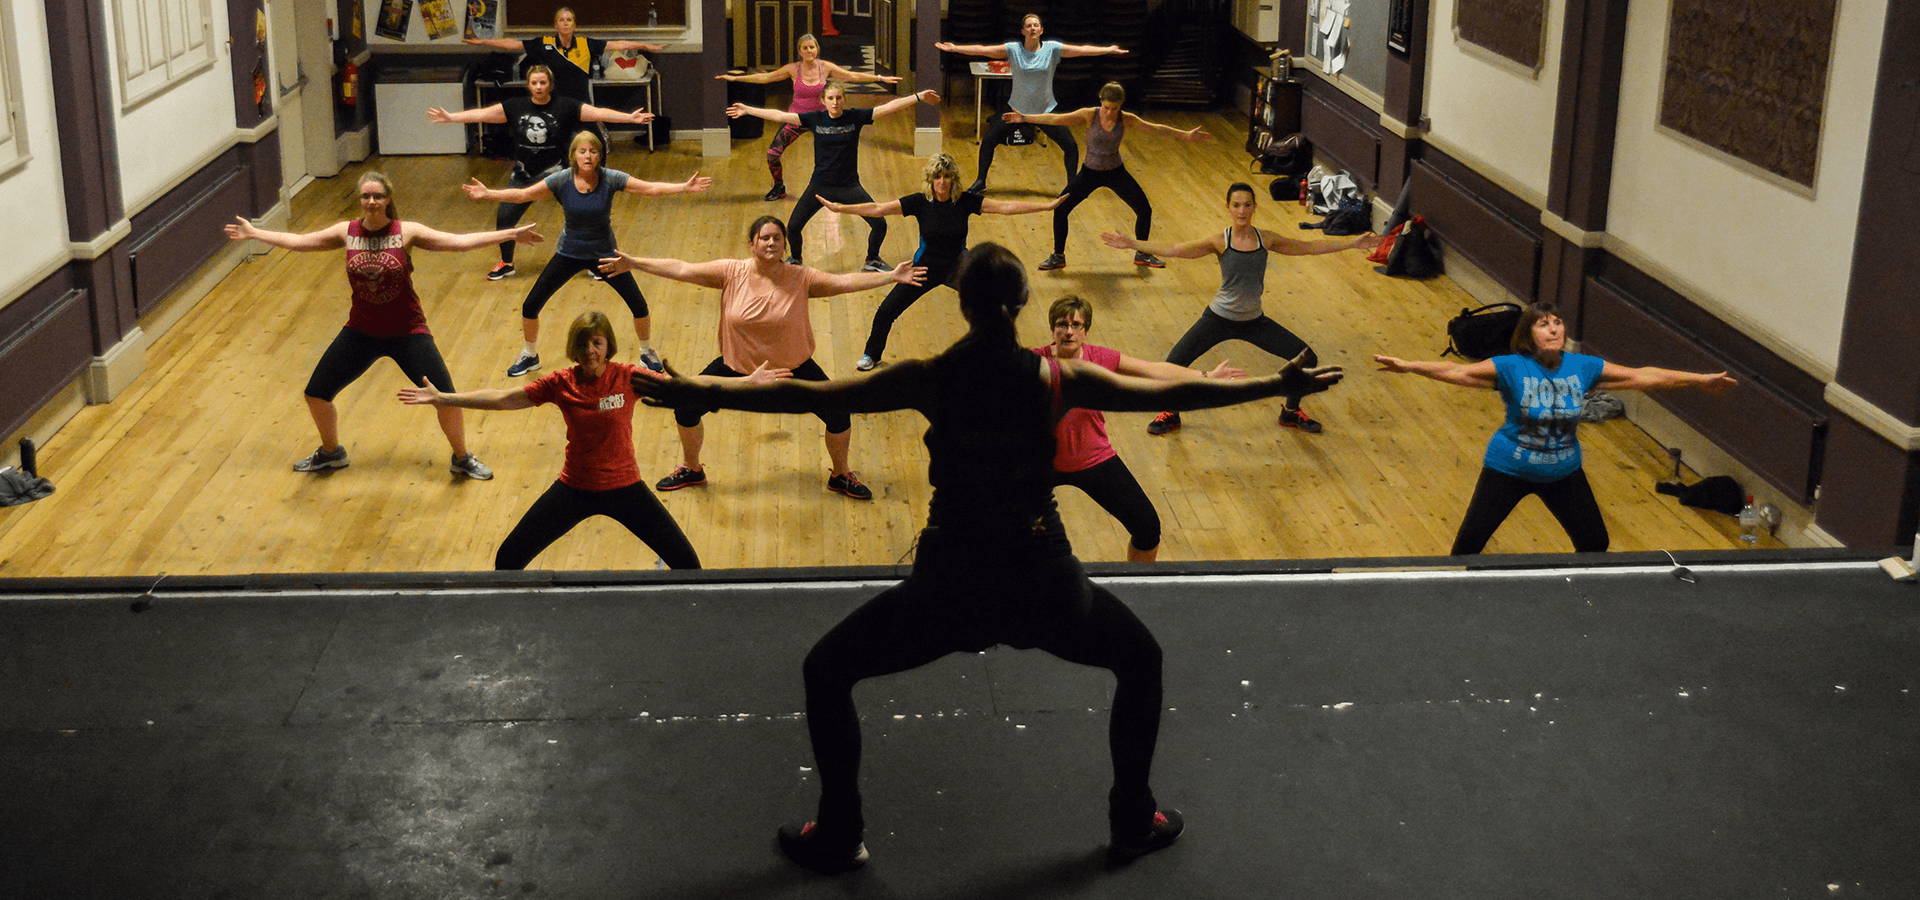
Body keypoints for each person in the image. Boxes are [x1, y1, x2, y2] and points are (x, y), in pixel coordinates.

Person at [625, 242, 1343, 873]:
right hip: (1042, 577)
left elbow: (812, 396)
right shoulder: (1055, 379)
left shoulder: (929, 376)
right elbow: (1173, 387)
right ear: (1023, 304)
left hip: (951, 584)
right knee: (1141, 661)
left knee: (826, 670)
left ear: (963, 305)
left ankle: (841, 835)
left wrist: (695, 389)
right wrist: (1274, 385)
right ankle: (1132, 820)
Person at [223, 171, 541, 479]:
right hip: (361, 332)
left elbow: (459, 242)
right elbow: (300, 241)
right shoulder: (345, 232)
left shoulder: (407, 232)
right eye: (366, 196)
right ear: (360, 199)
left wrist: (511, 234)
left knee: (445, 396)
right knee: (316, 393)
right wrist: (256, 234)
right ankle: (331, 452)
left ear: (388, 199)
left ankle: (462, 457)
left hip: (408, 332)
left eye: (377, 196)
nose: (371, 201)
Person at [598, 215, 926, 500]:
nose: (771, 243)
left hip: (792, 368)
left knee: (838, 413)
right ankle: (691, 469)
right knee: (686, 406)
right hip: (734, 367)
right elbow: (682, 268)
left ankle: (840, 475)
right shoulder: (730, 272)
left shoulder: (802, 278)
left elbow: (843, 281)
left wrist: (890, 276)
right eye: (764, 238)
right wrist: (634, 263)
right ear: (752, 244)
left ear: (784, 244)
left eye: (777, 238)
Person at [1374, 301, 1738, 554]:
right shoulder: (1511, 366)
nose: (1553, 328)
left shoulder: (1583, 367)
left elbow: (1645, 375)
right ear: (1529, 334)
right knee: (1468, 545)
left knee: (1595, 543)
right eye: (1543, 324)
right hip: (1508, 468)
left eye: (1557, 322)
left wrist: (1699, 379)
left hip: (1563, 473)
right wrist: (1408, 366)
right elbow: (1456, 371)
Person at [397, 311, 703, 570]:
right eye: (583, 344)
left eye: (597, 343)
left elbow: (686, 388)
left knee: (688, 565)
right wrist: (445, 399)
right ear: (574, 348)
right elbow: (504, 399)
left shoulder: (629, 377)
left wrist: (747, 385)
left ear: (608, 345)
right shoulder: (561, 383)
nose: (590, 351)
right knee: (508, 559)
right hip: (575, 489)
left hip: (626, 489)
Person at [1102, 180, 1381, 436]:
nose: (1242, 210)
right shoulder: (1218, 241)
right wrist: (1132, 244)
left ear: (1255, 208)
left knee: (1307, 360)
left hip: (1254, 322)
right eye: (1236, 205)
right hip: (1218, 318)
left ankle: (1291, 412)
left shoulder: (1266, 239)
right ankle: (1171, 413)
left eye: (1247, 205)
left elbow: (1308, 246)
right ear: (1228, 208)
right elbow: (1176, 248)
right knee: (1173, 365)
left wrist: (1352, 243)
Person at [461, 130, 711, 378]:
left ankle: (647, 351)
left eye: (593, 151)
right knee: (530, 305)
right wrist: (488, 194)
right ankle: (530, 354)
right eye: (582, 151)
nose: (588, 156)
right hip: (569, 253)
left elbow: (650, 188)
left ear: (600, 156)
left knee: (639, 304)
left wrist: (684, 187)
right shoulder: (561, 180)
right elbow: (523, 194)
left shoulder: (611, 178)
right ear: (574, 156)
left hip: (604, 254)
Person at [1035, 296, 1244, 563]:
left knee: (1147, 529)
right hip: (1039, 464)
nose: (1068, 331)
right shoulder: (1034, 362)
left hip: (1093, 459)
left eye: (1076, 325)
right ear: (1052, 329)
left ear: (1086, 331)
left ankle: (1137, 586)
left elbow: (1154, 370)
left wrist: (1205, 377)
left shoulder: (1100, 358)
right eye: (1062, 324)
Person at [812, 152, 1062, 371]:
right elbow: (878, 209)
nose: (941, 182)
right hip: (925, 267)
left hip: (958, 266)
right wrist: (840, 209)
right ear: (930, 179)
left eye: (946, 176)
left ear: (953, 179)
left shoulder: (965, 201)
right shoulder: (919, 202)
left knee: (995, 307)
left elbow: (1005, 206)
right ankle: (871, 355)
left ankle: (1006, 356)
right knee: (887, 311)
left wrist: (1046, 206)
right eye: (937, 177)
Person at [427, 65, 654, 281]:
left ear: (550, 84)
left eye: (543, 82)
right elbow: (481, 114)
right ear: (528, 85)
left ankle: (599, 262)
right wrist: (451, 118)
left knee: (589, 216)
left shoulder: (565, 106)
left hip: (558, 174)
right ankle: (506, 263)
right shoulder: (515, 107)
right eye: (534, 82)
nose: (538, 86)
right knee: (505, 219)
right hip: (524, 174)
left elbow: (597, 112)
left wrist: (629, 118)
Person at [727, 85, 941, 271]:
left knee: (879, 225)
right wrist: (748, 110)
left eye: (839, 97)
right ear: (823, 101)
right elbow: (780, 116)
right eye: (830, 98)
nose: (835, 102)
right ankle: (796, 260)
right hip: (819, 186)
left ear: (844, 100)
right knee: (793, 227)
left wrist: (918, 97)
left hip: (849, 186)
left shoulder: (855, 117)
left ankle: (872, 260)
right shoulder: (814, 119)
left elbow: (886, 108)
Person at [1006, 81, 1211, 271]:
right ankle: (1058, 256)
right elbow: (1057, 118)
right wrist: (1025, 118)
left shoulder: (1126, 119)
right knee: (1060, 209)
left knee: (1144, 209)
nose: (1110, 112)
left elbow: (1155, 129)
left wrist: (1185, 135)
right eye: (1106, 107)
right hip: (1089, 173)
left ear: (1120, 106)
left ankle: (1142, 254)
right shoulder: (1089, 115)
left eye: (1114, 108)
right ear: (1100, 102)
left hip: (1115, 172)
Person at [935, 15, 1127, 194]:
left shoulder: (1052, 49)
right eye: (1029, 25)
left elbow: (1083, 50)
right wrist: (954, 48)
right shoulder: (1013, 49)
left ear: (1041, 30)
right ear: (1023, 31)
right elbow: (983, 49)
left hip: (1045, 112)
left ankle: (1071, 187)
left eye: (1036, 25)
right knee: (988, 141)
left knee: (1070, 146)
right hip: (1017, 112)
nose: (1032, 28)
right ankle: (980, 182)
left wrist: (1108, 49)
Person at [716, 33, 902, 202]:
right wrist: (735, 79)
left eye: (812, 47)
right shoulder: (792, 69)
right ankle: (779, 187)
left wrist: (880, 78)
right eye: (805, 48)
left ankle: (839, 187)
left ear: (817, 49)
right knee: (772, 155)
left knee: (836, 155)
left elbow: (852, 76)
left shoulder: (826, 67)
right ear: (799, 51)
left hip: (821, 119)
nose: (809, 50)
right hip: (797, 118)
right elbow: (766, 78)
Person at [463, 6, 665, 104]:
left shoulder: (586, 44)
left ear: (574, 24)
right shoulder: (545, 43)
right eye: (562, 19)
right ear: (556, 24)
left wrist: (647, 45)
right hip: (554, 101)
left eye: (569, 20)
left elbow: (619, 44)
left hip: (582, 101)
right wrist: (482, 41)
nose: (566, 23)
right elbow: (514, 44)